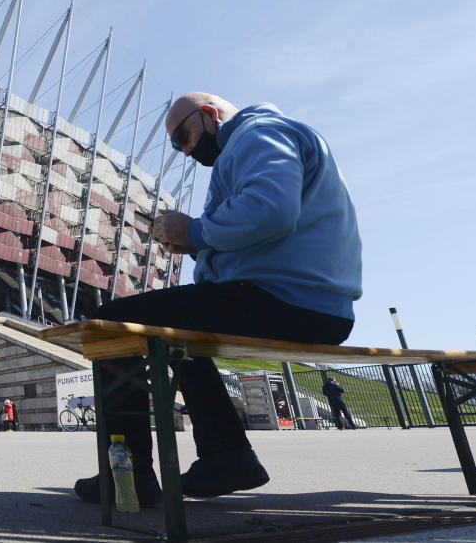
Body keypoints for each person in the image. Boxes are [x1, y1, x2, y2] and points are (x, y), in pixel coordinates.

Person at [73, 93, 362, 506]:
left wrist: (195, 232)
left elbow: (272, 210)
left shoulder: (258, 134)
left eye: (184, 137)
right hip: (304, 301)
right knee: (176, 330)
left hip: (287, 299)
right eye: (176, 145)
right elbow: (268, 234)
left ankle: (129, 473)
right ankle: (227, 457)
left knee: (110, 324)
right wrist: (194, 245)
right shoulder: (250, 145)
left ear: (209, 114)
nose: (186, 151)